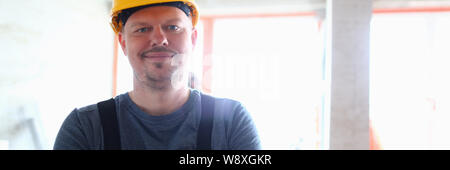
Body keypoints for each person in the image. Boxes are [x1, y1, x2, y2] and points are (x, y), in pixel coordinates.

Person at [53, 0, 261, 150]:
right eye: (142, 29)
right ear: (123, 43)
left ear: (193, 39)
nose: (159, 39)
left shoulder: (231, 121)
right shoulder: (85, 128)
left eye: (173, 27)